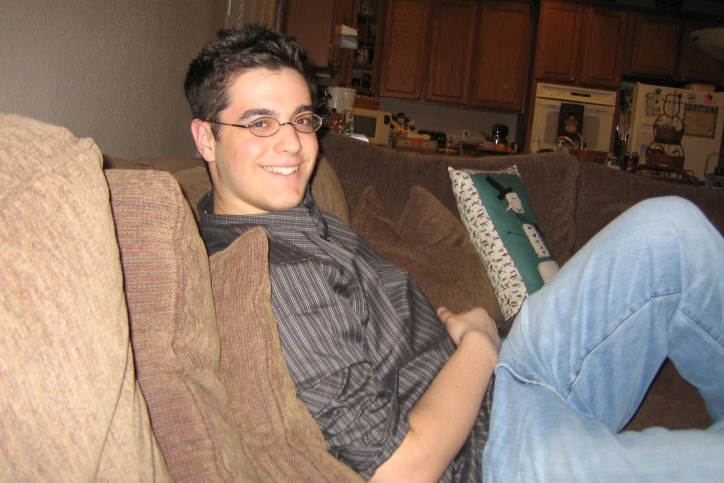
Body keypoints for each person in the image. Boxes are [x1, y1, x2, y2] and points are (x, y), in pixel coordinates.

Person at [186, 24, 724, 483]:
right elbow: (400, 470)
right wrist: (478, 346)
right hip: (495, 453)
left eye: (302, 119)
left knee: (668, 229)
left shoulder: (274, 210)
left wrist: (465, 340)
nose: (293, 143)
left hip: (503, 379)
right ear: (206, 139)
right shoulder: (279, 275)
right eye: (259, 123)